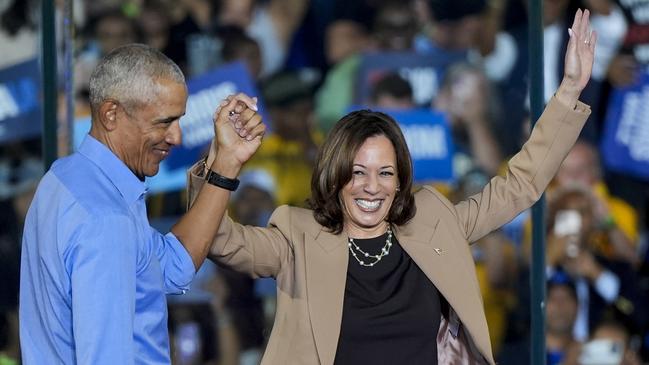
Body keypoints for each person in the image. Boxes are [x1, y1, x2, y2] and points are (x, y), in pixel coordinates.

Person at [188, 9, 596, 364]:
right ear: (335, 175)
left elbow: (520, 184)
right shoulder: (298, 236)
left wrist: (570, 92)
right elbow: (219, 241)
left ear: (401, 180)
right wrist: (222, 161)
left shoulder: (434, 222)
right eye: (357, 172)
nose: (371, 187)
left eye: (385, 172)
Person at [19, 44, 266, 364]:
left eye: (178, 120)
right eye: (164, 122)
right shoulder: (106, 218)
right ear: (111, 114)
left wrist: (226, 163)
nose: (176, 137)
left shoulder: (67, 177)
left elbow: (170, 268)